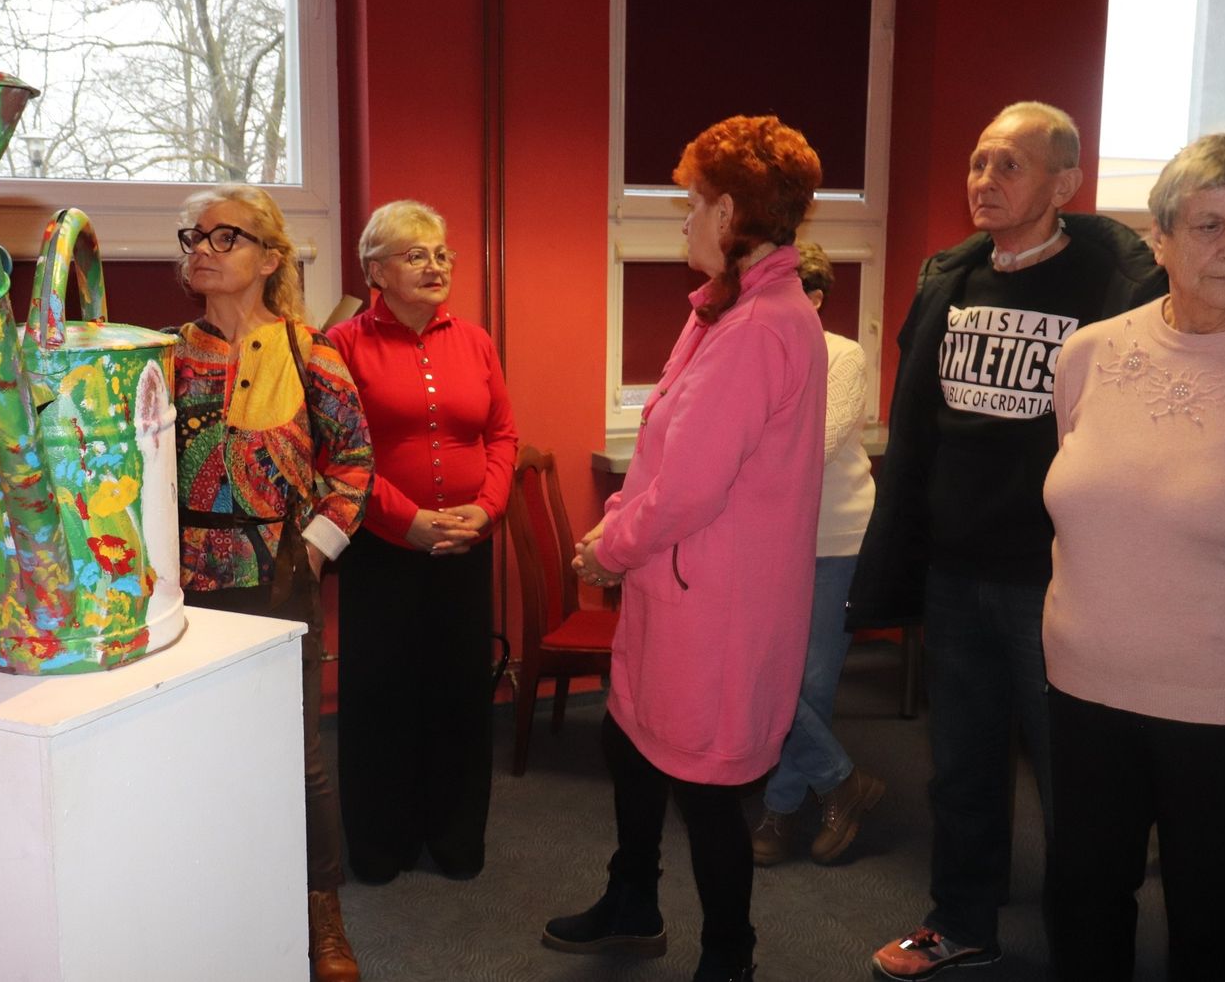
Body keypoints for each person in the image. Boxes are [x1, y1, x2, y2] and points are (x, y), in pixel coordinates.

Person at [846, 101, 1168, 981]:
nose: (984, 180)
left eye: (1009, 165)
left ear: (1065, 185)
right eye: (978, 162)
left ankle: (1086, 950)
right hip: (957, 574)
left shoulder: (1112, 290)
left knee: (1074, 784)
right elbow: (922, 428)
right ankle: (960, 923)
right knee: (961, 769)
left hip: (1057, 582)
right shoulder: (952, 280)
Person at [1043, 134, 1225, 981]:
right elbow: (1087, 496)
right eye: (1210, 225)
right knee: (1083, 899)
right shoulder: (1089, 353)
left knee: (1209, 922)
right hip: (1084, 685)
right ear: (1162, 239)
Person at [541, 115, 826, 982]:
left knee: (706, 791)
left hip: (716, 604)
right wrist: (616, 522)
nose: (684, 221)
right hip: (680, 586)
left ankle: (729, 956)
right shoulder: (723, 310)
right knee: (628, 741)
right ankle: (633, 900)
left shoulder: (759, 326)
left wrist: (609, 550)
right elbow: (664, 448)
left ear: (730, 212)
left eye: (693, 203)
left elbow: (692, 487)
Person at [171, 184, 374, 982]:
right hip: (180, 588)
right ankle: (213, 901)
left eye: (225, 236)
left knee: (298, 755)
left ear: (269, 258)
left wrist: (317, 548)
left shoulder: (309, 351)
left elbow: (353, 461)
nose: (203, 248)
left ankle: (322, 913)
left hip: (277, 580)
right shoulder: (162, 356)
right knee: (196, 751)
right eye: (194, 236)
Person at [327, 200, 517, 886]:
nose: (435, 265)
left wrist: (486, 510)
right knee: (381, 698)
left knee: (460, 695)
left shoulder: (476, 341)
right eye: (416, 255)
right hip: (382, 549)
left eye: (441, 253)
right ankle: (382, 846)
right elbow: (335, 452)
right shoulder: (341, 345)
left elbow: (502, 435)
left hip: (465, 548)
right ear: (376, 271)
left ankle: (456, 839)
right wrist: (403, 518)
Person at [750, 241, 882, 868]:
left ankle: (779, 811)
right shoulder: (751, 351)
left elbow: (817, 445)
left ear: (817, 299)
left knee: (811, 681)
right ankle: (841, 781)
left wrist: (739, 453)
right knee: (759, 671)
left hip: (834, 537)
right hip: (768, 541)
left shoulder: (843, 355)